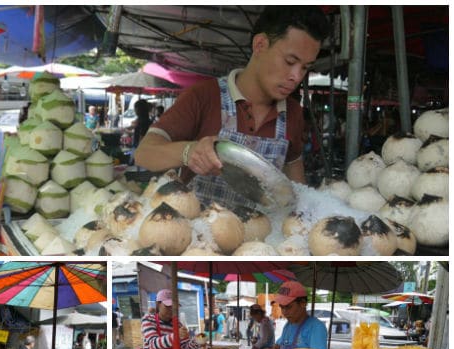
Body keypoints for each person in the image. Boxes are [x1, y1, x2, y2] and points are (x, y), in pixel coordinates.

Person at [134, 6, 330, 207]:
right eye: (290, 61)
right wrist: (189, 152)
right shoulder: (204, 96)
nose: (296, 76)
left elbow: (295, 191)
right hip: (200, 234)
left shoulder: (293, 113)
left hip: (262, 237)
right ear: (260, 45)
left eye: (305, 67)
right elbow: (144, 154)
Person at [271, 281, 328, 349]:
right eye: (282, 307)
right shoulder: (288, 325)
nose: (284, 312)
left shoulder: (316, 327)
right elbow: (280, 344)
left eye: (288, 307)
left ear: (303, 303)